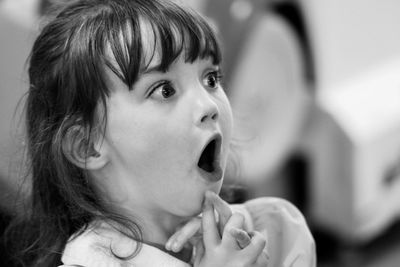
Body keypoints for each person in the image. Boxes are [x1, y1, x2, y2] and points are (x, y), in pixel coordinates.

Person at [4, 0, 316, 266]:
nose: (210, 105)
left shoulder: (271, 232)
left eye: (211, 78)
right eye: (164, 90)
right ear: (88, 146)